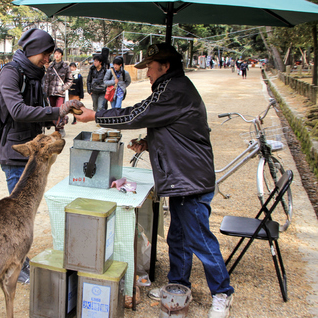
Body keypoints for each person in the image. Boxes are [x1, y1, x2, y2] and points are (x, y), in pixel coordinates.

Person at [75, 43, 234, 318]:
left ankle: (222, 293)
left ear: (165, 66)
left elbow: (138, 113)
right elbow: (177, 129)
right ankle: (179, 285)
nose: (146, 72)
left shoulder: (174, 90)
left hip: (191, 179)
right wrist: (149, 143)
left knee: (200, 239)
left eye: (149, 66)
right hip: (184, 177)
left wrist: (97, 115)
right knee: (178, 237)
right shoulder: (171, 89)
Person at [0, 28, 81, 283]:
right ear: (32, 50)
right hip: (15, 154)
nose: (48, 58)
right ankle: (15, 267)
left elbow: (39, 110)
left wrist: (58, 116)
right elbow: (19, 111)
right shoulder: (10, 73)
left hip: (33, 152)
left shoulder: (34, 74)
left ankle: (19, 262)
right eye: (45, 53)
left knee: (26, 214)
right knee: (17, 217)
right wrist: (55, 110)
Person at [44, 48, 73, 135]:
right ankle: (57, 129)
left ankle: (60, 128)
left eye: (58, 53)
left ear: (62, 55)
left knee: (59, 111)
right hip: (51, 92)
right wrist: (46, 92)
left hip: (60, 93)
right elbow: (47, 81)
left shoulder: (66, 67)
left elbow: (70, 80)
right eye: (55, 53)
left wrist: (63, 88)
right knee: (53, 111)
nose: (56, 55)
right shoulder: (50, 66)